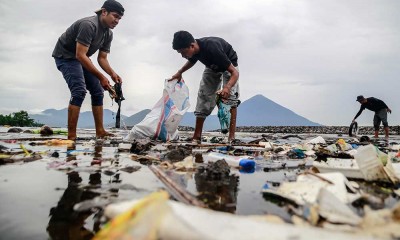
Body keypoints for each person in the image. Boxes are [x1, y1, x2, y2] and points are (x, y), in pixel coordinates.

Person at [52, 0, 124, 140]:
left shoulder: (108, 34)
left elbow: (102, 58)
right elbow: (79, 55)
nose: (117, 21)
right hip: (66, 56)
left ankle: (100, 131)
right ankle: (71, 136)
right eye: (115, 16)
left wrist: (112, 74)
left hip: (82, 57)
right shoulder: (89, 25)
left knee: (97, 91)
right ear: (104, 12)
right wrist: (101, 77)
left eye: (119, 18)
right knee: (79, 91)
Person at [170, 31, 240, 143]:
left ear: (192, 46)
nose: (183, 56)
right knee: (203, 96)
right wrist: (179, 72)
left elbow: (235, 73)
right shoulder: (194, 51)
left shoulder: (212, 48)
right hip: (212, 66)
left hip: (229, 65)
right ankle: (197, 136)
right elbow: (191, 61)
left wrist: (227, 87)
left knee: (230, 98)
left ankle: (231, 137)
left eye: (183, 52)